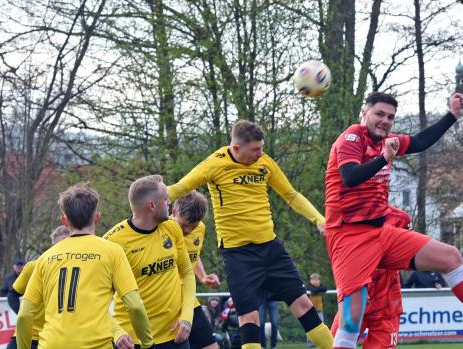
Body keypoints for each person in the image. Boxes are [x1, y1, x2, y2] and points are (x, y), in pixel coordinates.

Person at [324, 91, 463, 347]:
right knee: (351, 318)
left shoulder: (388, 141)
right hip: (349, 235)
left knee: (451, 257)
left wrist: (452, 116)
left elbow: (420, 141)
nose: (385, 120)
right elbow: (350, 176)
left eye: (390, 117)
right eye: (379, 114)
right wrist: (384, 159)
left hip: (382, 232)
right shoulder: (352, 137)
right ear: (364, 113)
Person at [168, 120, 333, 349]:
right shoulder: (214, 164)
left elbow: (291, 195)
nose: (260, 153)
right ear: (236, 148)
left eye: (261, 148)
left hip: (271, 248)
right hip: (238, 255)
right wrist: (148, 201)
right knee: (250, 319)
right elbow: (179, 188)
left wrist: (319, 219)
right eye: (255, 149)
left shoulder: (265, 163)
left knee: (304, 305)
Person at [15, 183, 154, 349]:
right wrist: (148, 344)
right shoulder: (112, 251)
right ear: (97, 218)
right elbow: (135, 306)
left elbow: (24, 315)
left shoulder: (46, 258)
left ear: (65, 221)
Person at [105, 175, 195, 349]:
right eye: (165, 198)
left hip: (174, 336)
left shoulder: (172, 227)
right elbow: (96, 299)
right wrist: (116, 332)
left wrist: (187, 317)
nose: (170, 202)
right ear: (152, 205)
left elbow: (187, 274)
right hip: (132, 341)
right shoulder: (113, 241)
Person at [331, 206, 412, 349]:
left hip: (386, 304)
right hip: (355, 296)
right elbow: (340, 256)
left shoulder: (401, 219)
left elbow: (407, 253)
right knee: (330, 345)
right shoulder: (347, 214)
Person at [6, 226, 71, 349]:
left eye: (67, 244)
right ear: (53, 245)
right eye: (60, 244)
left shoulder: (79, 270)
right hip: (29, 336)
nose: (63, 248)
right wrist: (25, 315)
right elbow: (13, 294)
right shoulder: (34, 266)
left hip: (55, 338)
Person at [172, 191, 220, 349]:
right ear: (174, 212)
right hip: (166, 304)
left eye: (193, 226)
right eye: (184, 224)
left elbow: (194, 254)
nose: (188, 230)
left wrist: (203, 277)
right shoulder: (162, 231)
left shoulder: (200, 229)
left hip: (188, 300)